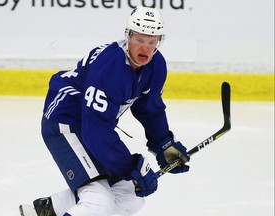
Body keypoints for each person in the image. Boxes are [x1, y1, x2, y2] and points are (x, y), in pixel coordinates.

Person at [33, 5, 190, 216]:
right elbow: (96, 132)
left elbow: (149, 109)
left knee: (129, 197)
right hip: (64, 122)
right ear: (128, 36)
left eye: (152, 42)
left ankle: (50, 209)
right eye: (139, 40)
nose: (145, 48)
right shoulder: (110, 69)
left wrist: (164, 144)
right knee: (99, 202)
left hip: (91, 125)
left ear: (159, 42)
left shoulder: (156, 65)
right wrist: (130, 167)